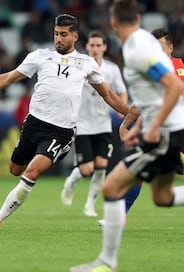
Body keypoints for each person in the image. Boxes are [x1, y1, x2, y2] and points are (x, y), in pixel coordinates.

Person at [70, 1, 184, 271]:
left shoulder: (141, 54)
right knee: (162, 196)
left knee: (116, 185)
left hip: (175, 129)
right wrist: (131, 123)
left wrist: (153, 126)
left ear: (112, 24)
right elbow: (148, 98)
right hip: (170, 127)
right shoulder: (138, 49)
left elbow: (175, 89)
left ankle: (106, 261)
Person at [0, 14, 129, 232]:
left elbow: (109, 96)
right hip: (34, 123)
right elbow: (8, 78)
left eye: (64, 35)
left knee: (32, 172)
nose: (59, 38)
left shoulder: (87, 63)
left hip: (62, 131)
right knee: (15, 169)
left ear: (75, 37)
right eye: (56, 34)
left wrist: (132, 113)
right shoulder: (40, 56)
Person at [98, 27, 184, 227]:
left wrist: (177, 109)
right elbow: (142, 101)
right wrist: (126, 124)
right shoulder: (150, 70)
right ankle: (120, 215)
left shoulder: (176, 65)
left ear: (171, 48)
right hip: (162, 129)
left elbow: (182, 89)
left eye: (161, 47)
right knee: (138, 167)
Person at [60, 31, 128, 217]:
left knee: (100, 168)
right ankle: (71, 182)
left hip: (103, 125)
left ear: (105, 47)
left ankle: (89, 205)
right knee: (87, 169)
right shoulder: (79, 66)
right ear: (87, 47)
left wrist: (121, 108)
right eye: (92, 45)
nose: (96, 49)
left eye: (99, 45)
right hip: (82, 125)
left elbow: (122, 91)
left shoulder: (112, 69)